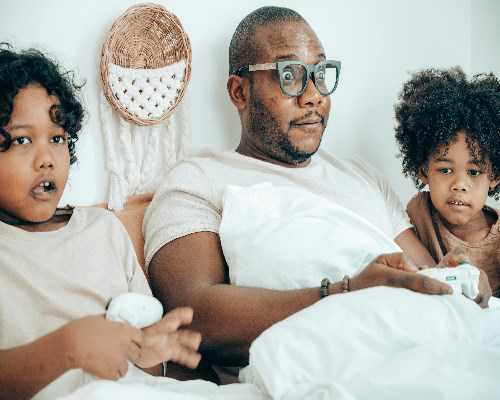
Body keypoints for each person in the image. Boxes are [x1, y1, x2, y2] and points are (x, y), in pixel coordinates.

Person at [144, 6, 455, 370]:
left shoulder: (363, 177)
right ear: (240, 92)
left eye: (320, 74)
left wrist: (459, 279)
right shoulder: (198, 180)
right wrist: (343, 295)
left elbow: (428, 280)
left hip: (426, 350)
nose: (313, 96)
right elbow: (191, 316)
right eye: (289, 75)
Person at [0, 44, 201, 400]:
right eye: (22, 140)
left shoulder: (103, 229)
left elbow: (145, 362)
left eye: (57, 138)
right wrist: (67, 347)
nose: (47, 159)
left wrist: (149, 352)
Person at [395, 67, 500, 301]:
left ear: (494, 176)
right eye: (445, 170)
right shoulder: (419, 211)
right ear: (423, 171)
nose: (459, 184)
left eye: (474, 172)